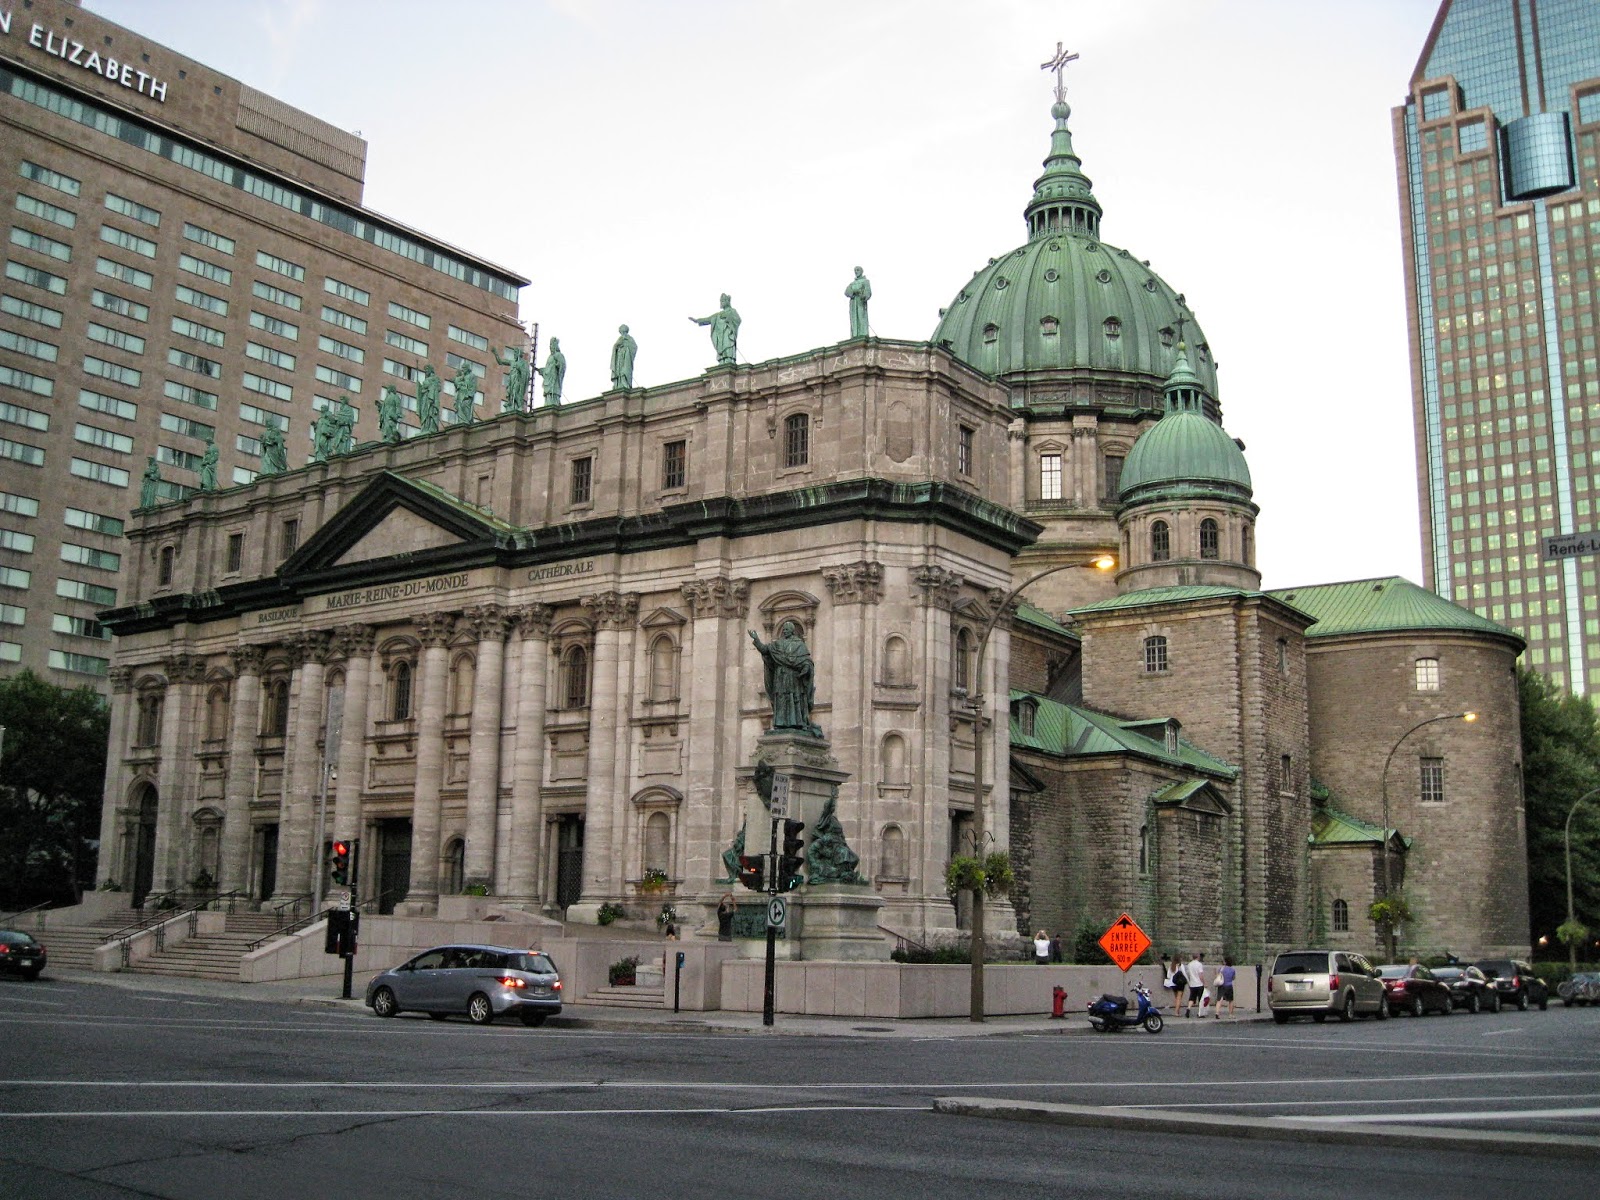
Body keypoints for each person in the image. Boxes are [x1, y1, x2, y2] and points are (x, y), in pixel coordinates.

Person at [748, 620, 821, 736]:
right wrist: (756, 640)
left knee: (794, 698)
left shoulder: (799, 644)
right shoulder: (778, 644)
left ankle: (796, 722)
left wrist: (806, 668)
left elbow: (806, 661)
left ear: (792, 631)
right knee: (781, 698)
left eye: (787, 630)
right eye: (784, 630)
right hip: (780, 677)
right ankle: (781, 723)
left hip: (794, 678)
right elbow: (765, 650)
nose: (785, 631)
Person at [690, 293, 740, 364]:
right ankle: (722, 360)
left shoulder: (732, 311)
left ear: (727, 301)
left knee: (728, 346)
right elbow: (708, 319)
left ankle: (729, 359)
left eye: (723, 301)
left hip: (728, 333)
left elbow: (738, 320)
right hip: (720, 336)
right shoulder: (718, 315)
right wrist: (697, 320)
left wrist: (728, 318)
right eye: (721, 301)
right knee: (721, 347)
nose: (721, 303)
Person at [493, 344, 529, 412]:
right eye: (514, 353)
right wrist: (495, 353)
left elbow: (525, 373)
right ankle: (512, 405)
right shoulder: (512, 362)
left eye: (515, 353)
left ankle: (520, 406)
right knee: (511, 394)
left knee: (516, 393)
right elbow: (500, 361)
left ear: (519, 354)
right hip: (511, 381)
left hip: (517, 381)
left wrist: (519, 368)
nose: (514, 354)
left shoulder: (523, 363)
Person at [845, 265, 872, 338]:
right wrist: (854, 291)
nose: (856, 272)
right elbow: (846, 292)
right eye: (855, 270)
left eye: (858, 270)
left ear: (861, 271)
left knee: (861, 316)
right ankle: (855, 335)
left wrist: (864, 296)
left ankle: (863, 333)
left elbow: (868, 292)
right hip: (853, 302)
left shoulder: (865, 281)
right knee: (854, 318)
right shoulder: (852, 283)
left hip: (860, 301)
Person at [609, 324, 637, 390]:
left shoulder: (630, 338)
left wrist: (626, 348)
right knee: (618, 371)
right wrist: (616, 346)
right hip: (619, 356)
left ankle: (625, 383)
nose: (622, 332)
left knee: (624, 371)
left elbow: (634, 347)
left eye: (622, 331)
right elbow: (615, 346)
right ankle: (618, 384)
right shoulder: (620, 338)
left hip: (626, 357)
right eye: (621, 331)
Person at [416, 364, 442, 435]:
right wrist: (419, 386)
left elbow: (439, 388)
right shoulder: (427, 379)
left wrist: (431, 389)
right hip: (425, 398)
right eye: (425, 370)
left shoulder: (435, 378)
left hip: (431, 399)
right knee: (425, 413)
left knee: (430, 412)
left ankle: (431, 428)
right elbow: (423, 389)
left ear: (431, 370)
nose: (426, 371)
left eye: (427, 370)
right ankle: (425, 428)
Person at [540, 337, 566, 406]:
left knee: (553, 395)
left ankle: (554, 403)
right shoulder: (550, 357)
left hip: (554, 382)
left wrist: (557, 366)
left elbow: (562, 366)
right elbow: (548, 369)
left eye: (551, 344)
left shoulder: (558, 355)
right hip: (549, 381)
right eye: (550, 345)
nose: (550, 347)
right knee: (548, 396)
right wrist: (543, 371)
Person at [452, 359, 478, 425]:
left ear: (467, 368)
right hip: (460, 394)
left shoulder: (472, 376)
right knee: (459, 407)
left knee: (465, 406)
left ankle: (466, 421)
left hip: (467, 395)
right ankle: (461, 421)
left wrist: (469, 394)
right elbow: (457, 383)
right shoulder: (462, 376)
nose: (462, 370)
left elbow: (473, 386)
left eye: (464, 368)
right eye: (462, 368)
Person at [1185, 950, 1206, 1017]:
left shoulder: (1189, 964)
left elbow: (1188, 974)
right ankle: (1200, 1013)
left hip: (1192, 984)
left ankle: (1188, 1008)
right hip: (1199, 984)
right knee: (1201, 999)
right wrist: (1204, 983)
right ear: (1198, 957)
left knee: (1192, 998)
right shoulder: (1199, 964)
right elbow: (1200, 975)